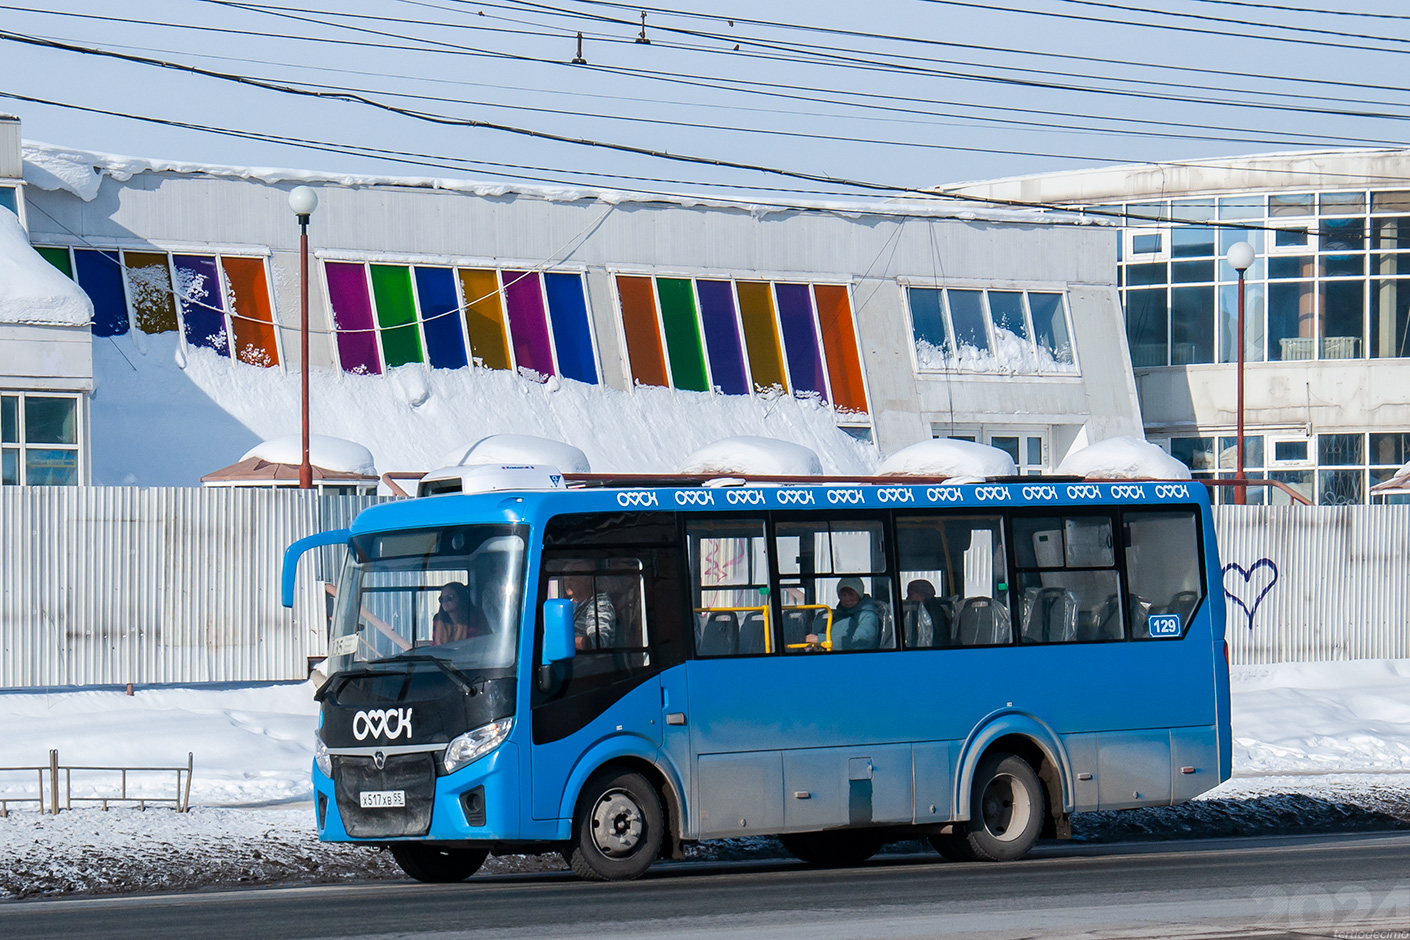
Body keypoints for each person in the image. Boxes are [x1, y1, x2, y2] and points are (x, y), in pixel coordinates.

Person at [807, 576, 881, 650]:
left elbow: (858, 644)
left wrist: (821, 640)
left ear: (859, 595)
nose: (847, 599)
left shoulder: (868, 616)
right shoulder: (837, 615)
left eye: (851, 594)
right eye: (843, 594)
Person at [563, 569, 616, 650]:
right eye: (565, 580)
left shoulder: (599, 603)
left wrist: (562, 642)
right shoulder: (566, 605)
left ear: (586, 580)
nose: (567, 583)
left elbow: (599, 640)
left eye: (571, 579)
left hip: (590, 661)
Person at [905, 578, 953, 648]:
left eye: (911, 594)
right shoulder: (933, 608)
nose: (907, 598)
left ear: (922, 595)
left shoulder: (930, 613)